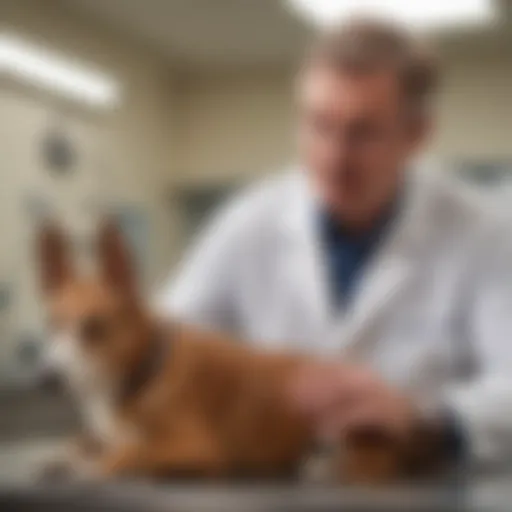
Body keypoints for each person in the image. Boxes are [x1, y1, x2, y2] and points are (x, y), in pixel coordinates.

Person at [159, 19, 512, 470]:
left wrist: (425, 417)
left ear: (417, 135)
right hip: (275, 484)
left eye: (362, 133)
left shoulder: (483, 231)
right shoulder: (248, 223)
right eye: (318, 125)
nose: (333, 156)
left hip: (421, 486)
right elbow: (165, 349)